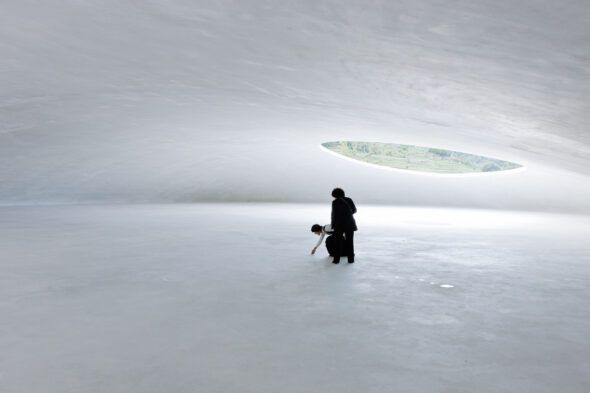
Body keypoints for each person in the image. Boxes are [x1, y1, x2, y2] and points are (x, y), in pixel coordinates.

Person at [330, 188, 357, 264]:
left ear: (335, 195)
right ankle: (351, 260)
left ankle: (336, 260)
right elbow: (354, 210)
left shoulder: (335, 202)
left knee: (337, 243)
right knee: (350, 242)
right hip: (350, 224)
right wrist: (347, 214)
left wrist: (333, 225)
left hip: (339, 225)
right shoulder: (349, 199)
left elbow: (333, 215)